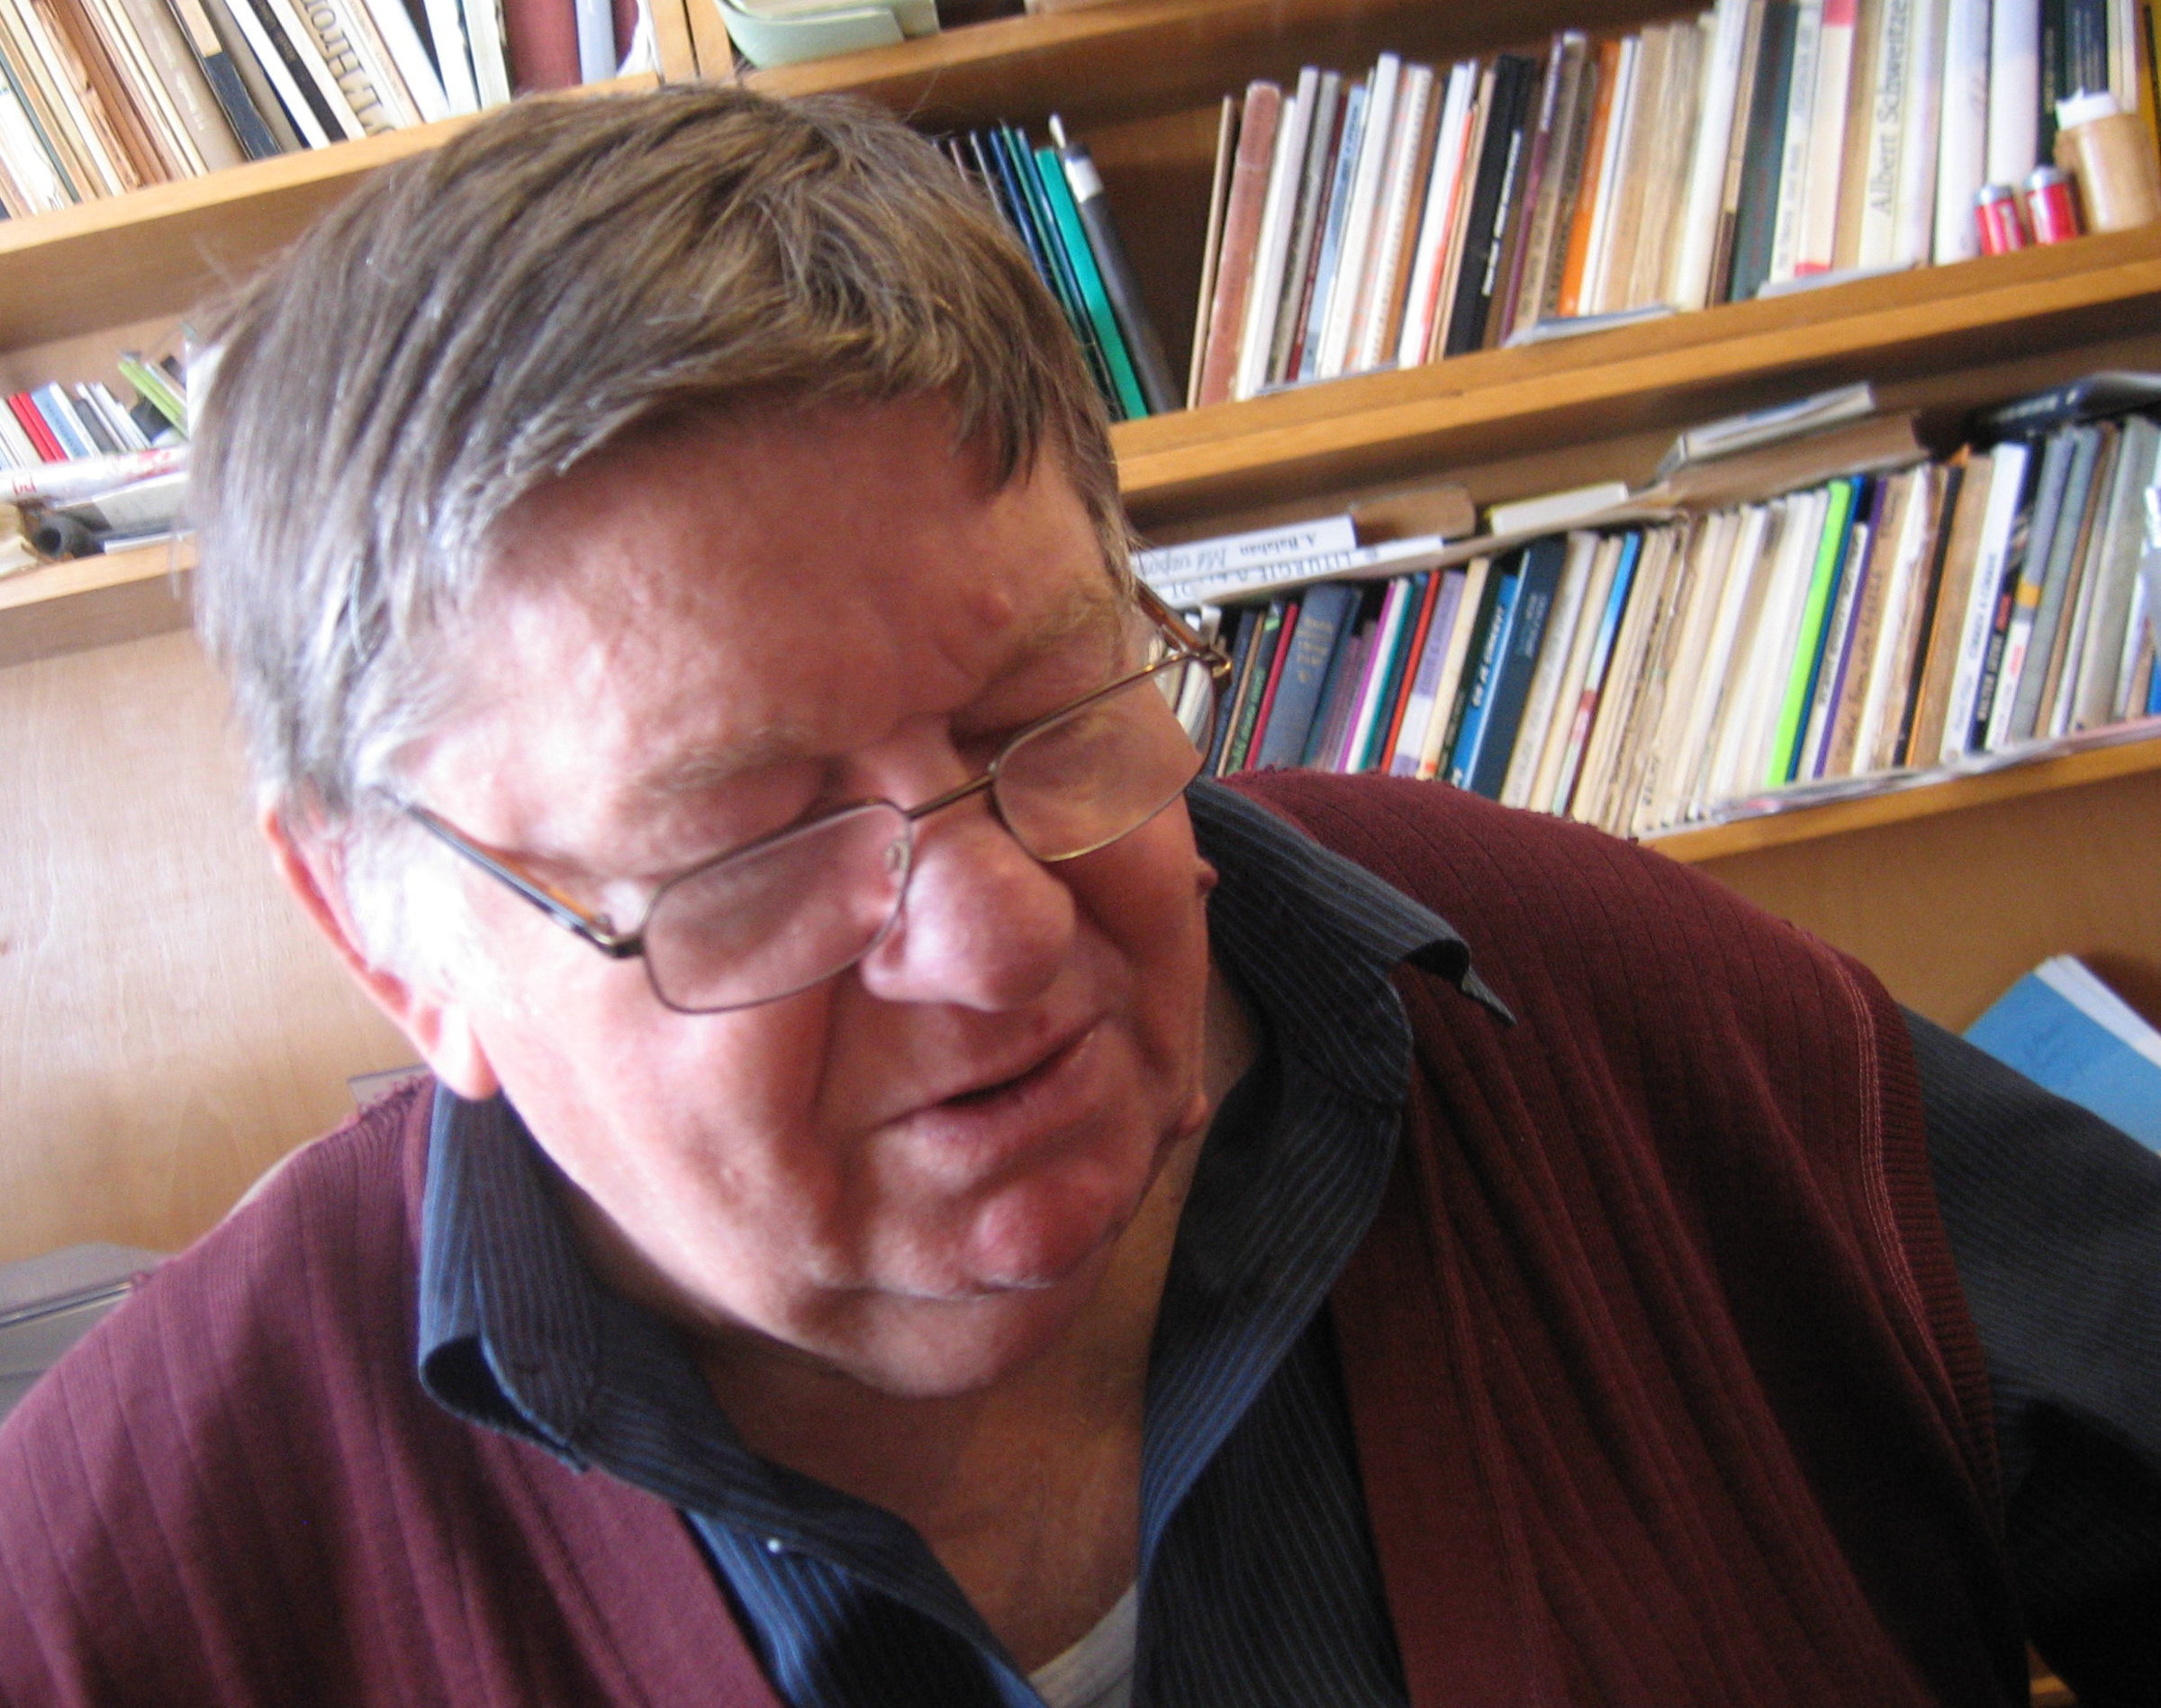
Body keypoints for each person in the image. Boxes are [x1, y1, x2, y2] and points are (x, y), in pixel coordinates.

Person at [1, 85, 2156, 1708]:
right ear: (390, 940)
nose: (1003, 931)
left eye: (1048, 712)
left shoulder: (1588, 997)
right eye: (752, 843)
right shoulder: (122, 1574)